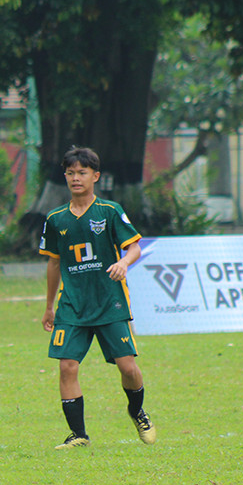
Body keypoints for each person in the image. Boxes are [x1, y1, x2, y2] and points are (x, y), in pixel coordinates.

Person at [39, 146, 156, 449]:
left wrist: (123, 263)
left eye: (82, 173)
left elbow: (134, 248)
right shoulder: (55, 219)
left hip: (109, 301)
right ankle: (79, 434)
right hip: (72, 305)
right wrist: (49, 306)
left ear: (95, 176)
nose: (75, 178)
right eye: (70, 173)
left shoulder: (109, 211)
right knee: (67, 366)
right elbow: (53, 263)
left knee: (128, 367)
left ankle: (137, 410)